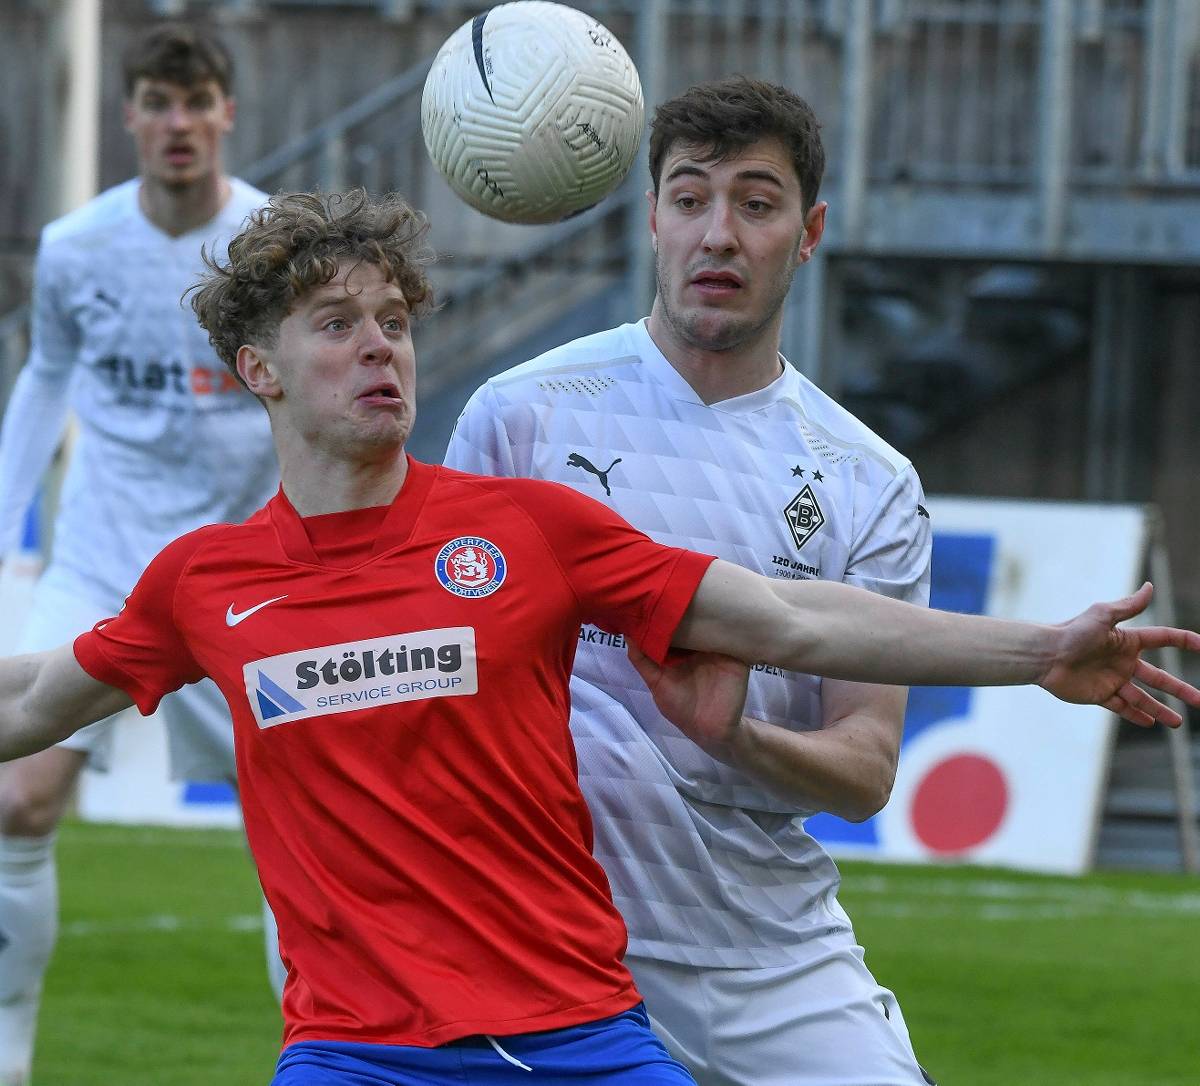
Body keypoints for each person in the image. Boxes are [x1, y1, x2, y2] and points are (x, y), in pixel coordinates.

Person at [0, 187, 1195, 1085]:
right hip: (354, 1055)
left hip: (579, 1038)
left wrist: (1037, 653)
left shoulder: (529, 529)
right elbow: (34, 703)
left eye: (394, 321)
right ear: (257, 368)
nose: (381, 346)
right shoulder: (204, 583)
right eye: (336, 324)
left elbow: (792, 617)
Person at [442, 75, 1016, 1085]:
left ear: (808, 233)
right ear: (653, 219)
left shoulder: (867, 480)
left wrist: (735, 736)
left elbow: (866, 768)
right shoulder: (520, 417)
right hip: (546, 944)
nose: (720, 234)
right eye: (691, 197)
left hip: (769, 951)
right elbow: (446, 684)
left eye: (756, 203)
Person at [0, 23, 280, 1085]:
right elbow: (44, 381)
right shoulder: (76, 247)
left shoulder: (272, 241)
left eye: (196, 100)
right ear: (129, 117)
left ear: (226, 115)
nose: (177, 122)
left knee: (301, 827)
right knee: (19, 797)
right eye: (158, 102)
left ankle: (324, 1054)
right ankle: (10, 1054)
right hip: (105, 561)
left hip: (243, 576)